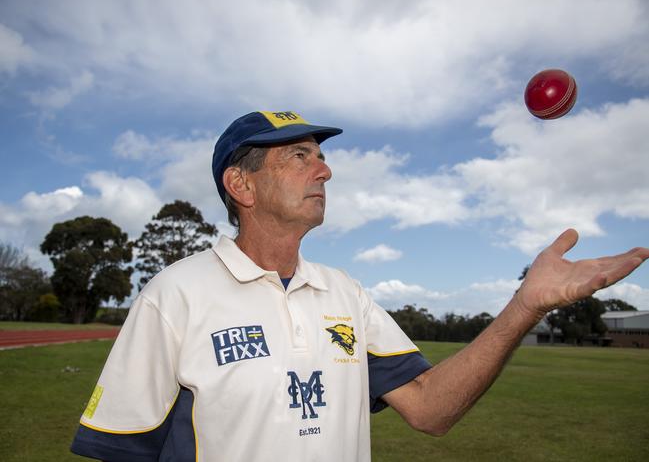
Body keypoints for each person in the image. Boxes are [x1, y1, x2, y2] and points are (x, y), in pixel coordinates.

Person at [71, 110, 649, 461]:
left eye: (320, 157)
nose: (324, 170)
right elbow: (124, 450)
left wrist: (525, 306)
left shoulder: (345, 293)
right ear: (240, 185)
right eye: (299, 156)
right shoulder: (173, 296)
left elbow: (429, 411)